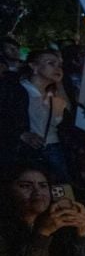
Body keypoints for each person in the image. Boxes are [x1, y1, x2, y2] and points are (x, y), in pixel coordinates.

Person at [0, 50, 71, 183]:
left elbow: (67, 115)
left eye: (59, 65)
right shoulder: (15, 90)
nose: (57, 68)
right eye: (51, 63)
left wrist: (59, 83)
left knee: (61, 190)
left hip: (55, 149)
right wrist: (21, 134)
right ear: (34, 66)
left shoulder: (53, 94)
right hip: (25, 151)